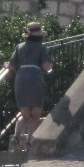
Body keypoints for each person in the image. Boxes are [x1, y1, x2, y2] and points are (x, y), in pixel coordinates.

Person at [6, 23, 54, 151]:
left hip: (21, 78)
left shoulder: (19, 47)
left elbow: (10, 65)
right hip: (35, 77)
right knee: (35, 115)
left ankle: (16, 137)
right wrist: (50, 67)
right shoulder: (41, 48)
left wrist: (6, 65)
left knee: (25, 115)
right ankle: (28, 142)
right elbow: (47, 66)